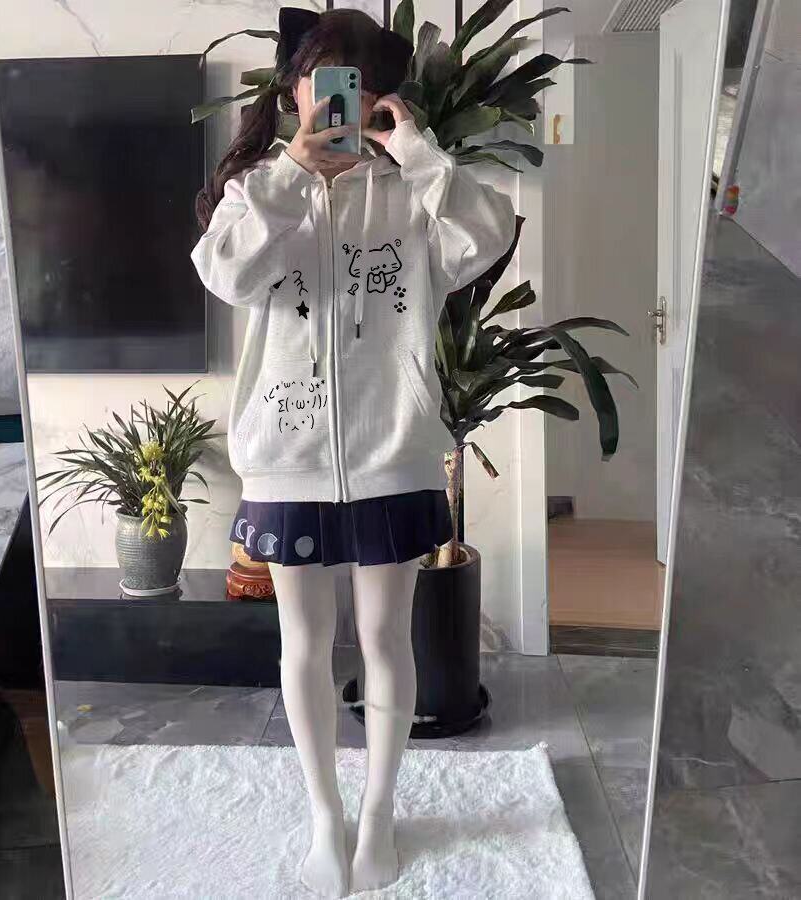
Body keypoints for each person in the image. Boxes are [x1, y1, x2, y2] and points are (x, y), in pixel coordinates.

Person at [192, 7, 515, 897]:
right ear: (295, 88)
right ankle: (323, 817)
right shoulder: (261, 188)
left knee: (383, 636)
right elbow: (224, 274)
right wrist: (292, 175)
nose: (335, 97)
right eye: (321, 78)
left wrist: (419, 153)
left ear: (379, 96)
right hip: (287, 453)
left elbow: (488, 235)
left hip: (391, 452)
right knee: (303, 641)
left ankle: (378, 815)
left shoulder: (410, 190)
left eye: (357, 82)